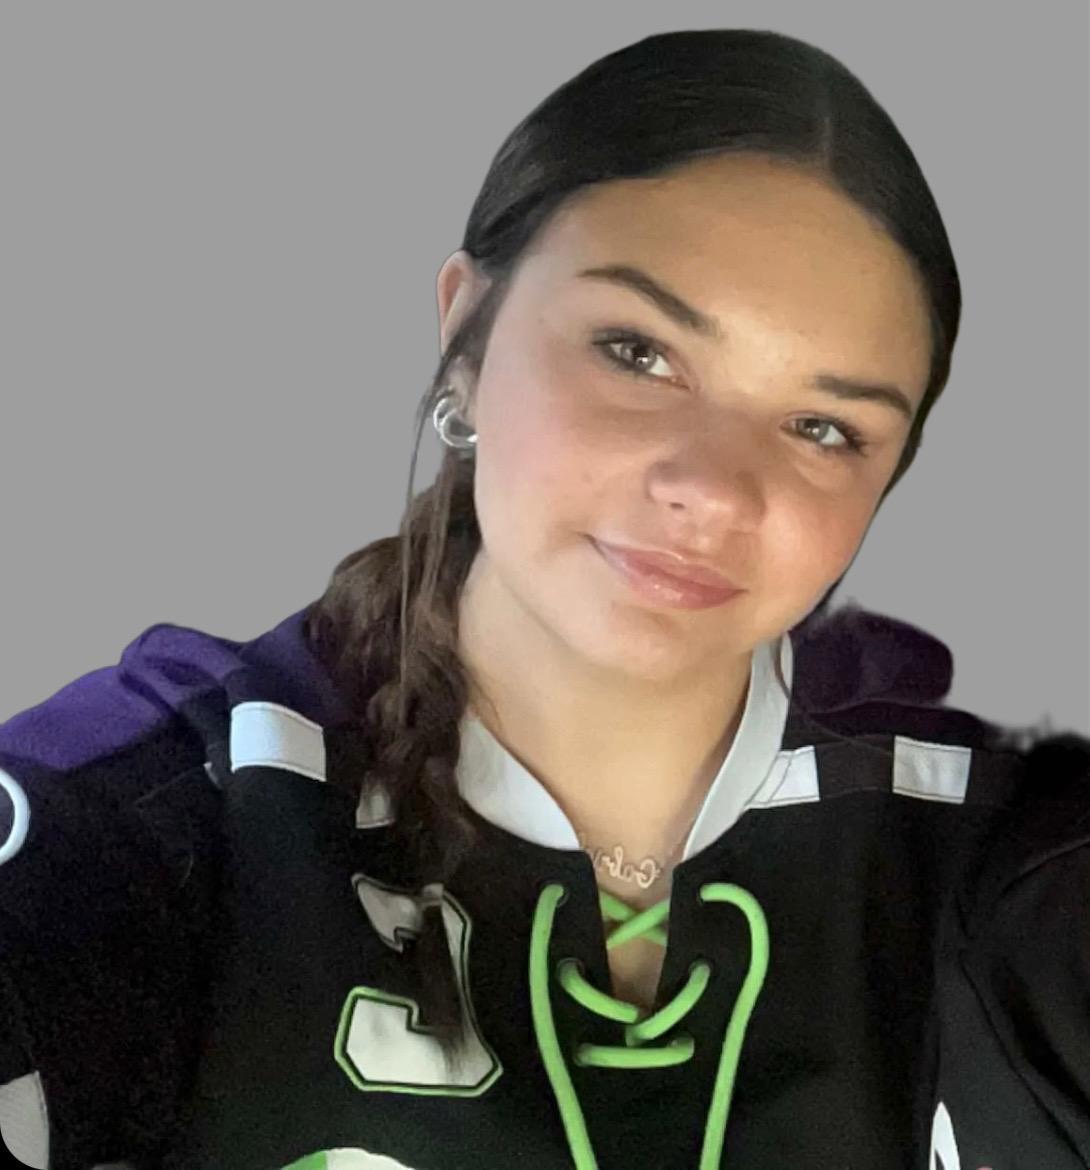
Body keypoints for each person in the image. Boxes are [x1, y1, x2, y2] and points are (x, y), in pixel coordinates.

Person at [0, 25, 1087, 1170]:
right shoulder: (179, 806)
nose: (713, 491)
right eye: (636, 352)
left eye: (823, 427)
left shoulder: (989, 853)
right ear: (465, 338)